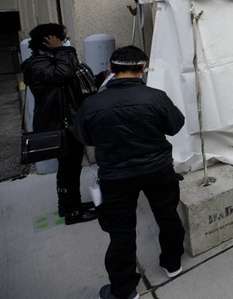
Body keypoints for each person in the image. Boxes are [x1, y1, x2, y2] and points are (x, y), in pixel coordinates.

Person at [74, 46, 185, 299]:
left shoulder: (91, 104)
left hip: (116, 175)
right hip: (157, 169)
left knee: (121, 231)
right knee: (167, 216)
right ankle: (172, 264)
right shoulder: (156, 96)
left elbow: (84, 137)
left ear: (110, 69)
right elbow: (175, 125)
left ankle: (124, 289)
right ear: (143, 67)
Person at [22, 23, 97, 225]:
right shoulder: (37, 64)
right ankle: (72, 212)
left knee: (71, 167)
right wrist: (62, 50)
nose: (65, 40)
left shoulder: (51, 60)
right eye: (62, 38)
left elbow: (71, 84)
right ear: (49, 40)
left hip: (69, 122)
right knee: (68, 169)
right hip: (59, 124)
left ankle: (71, 205)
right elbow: (62, 74)